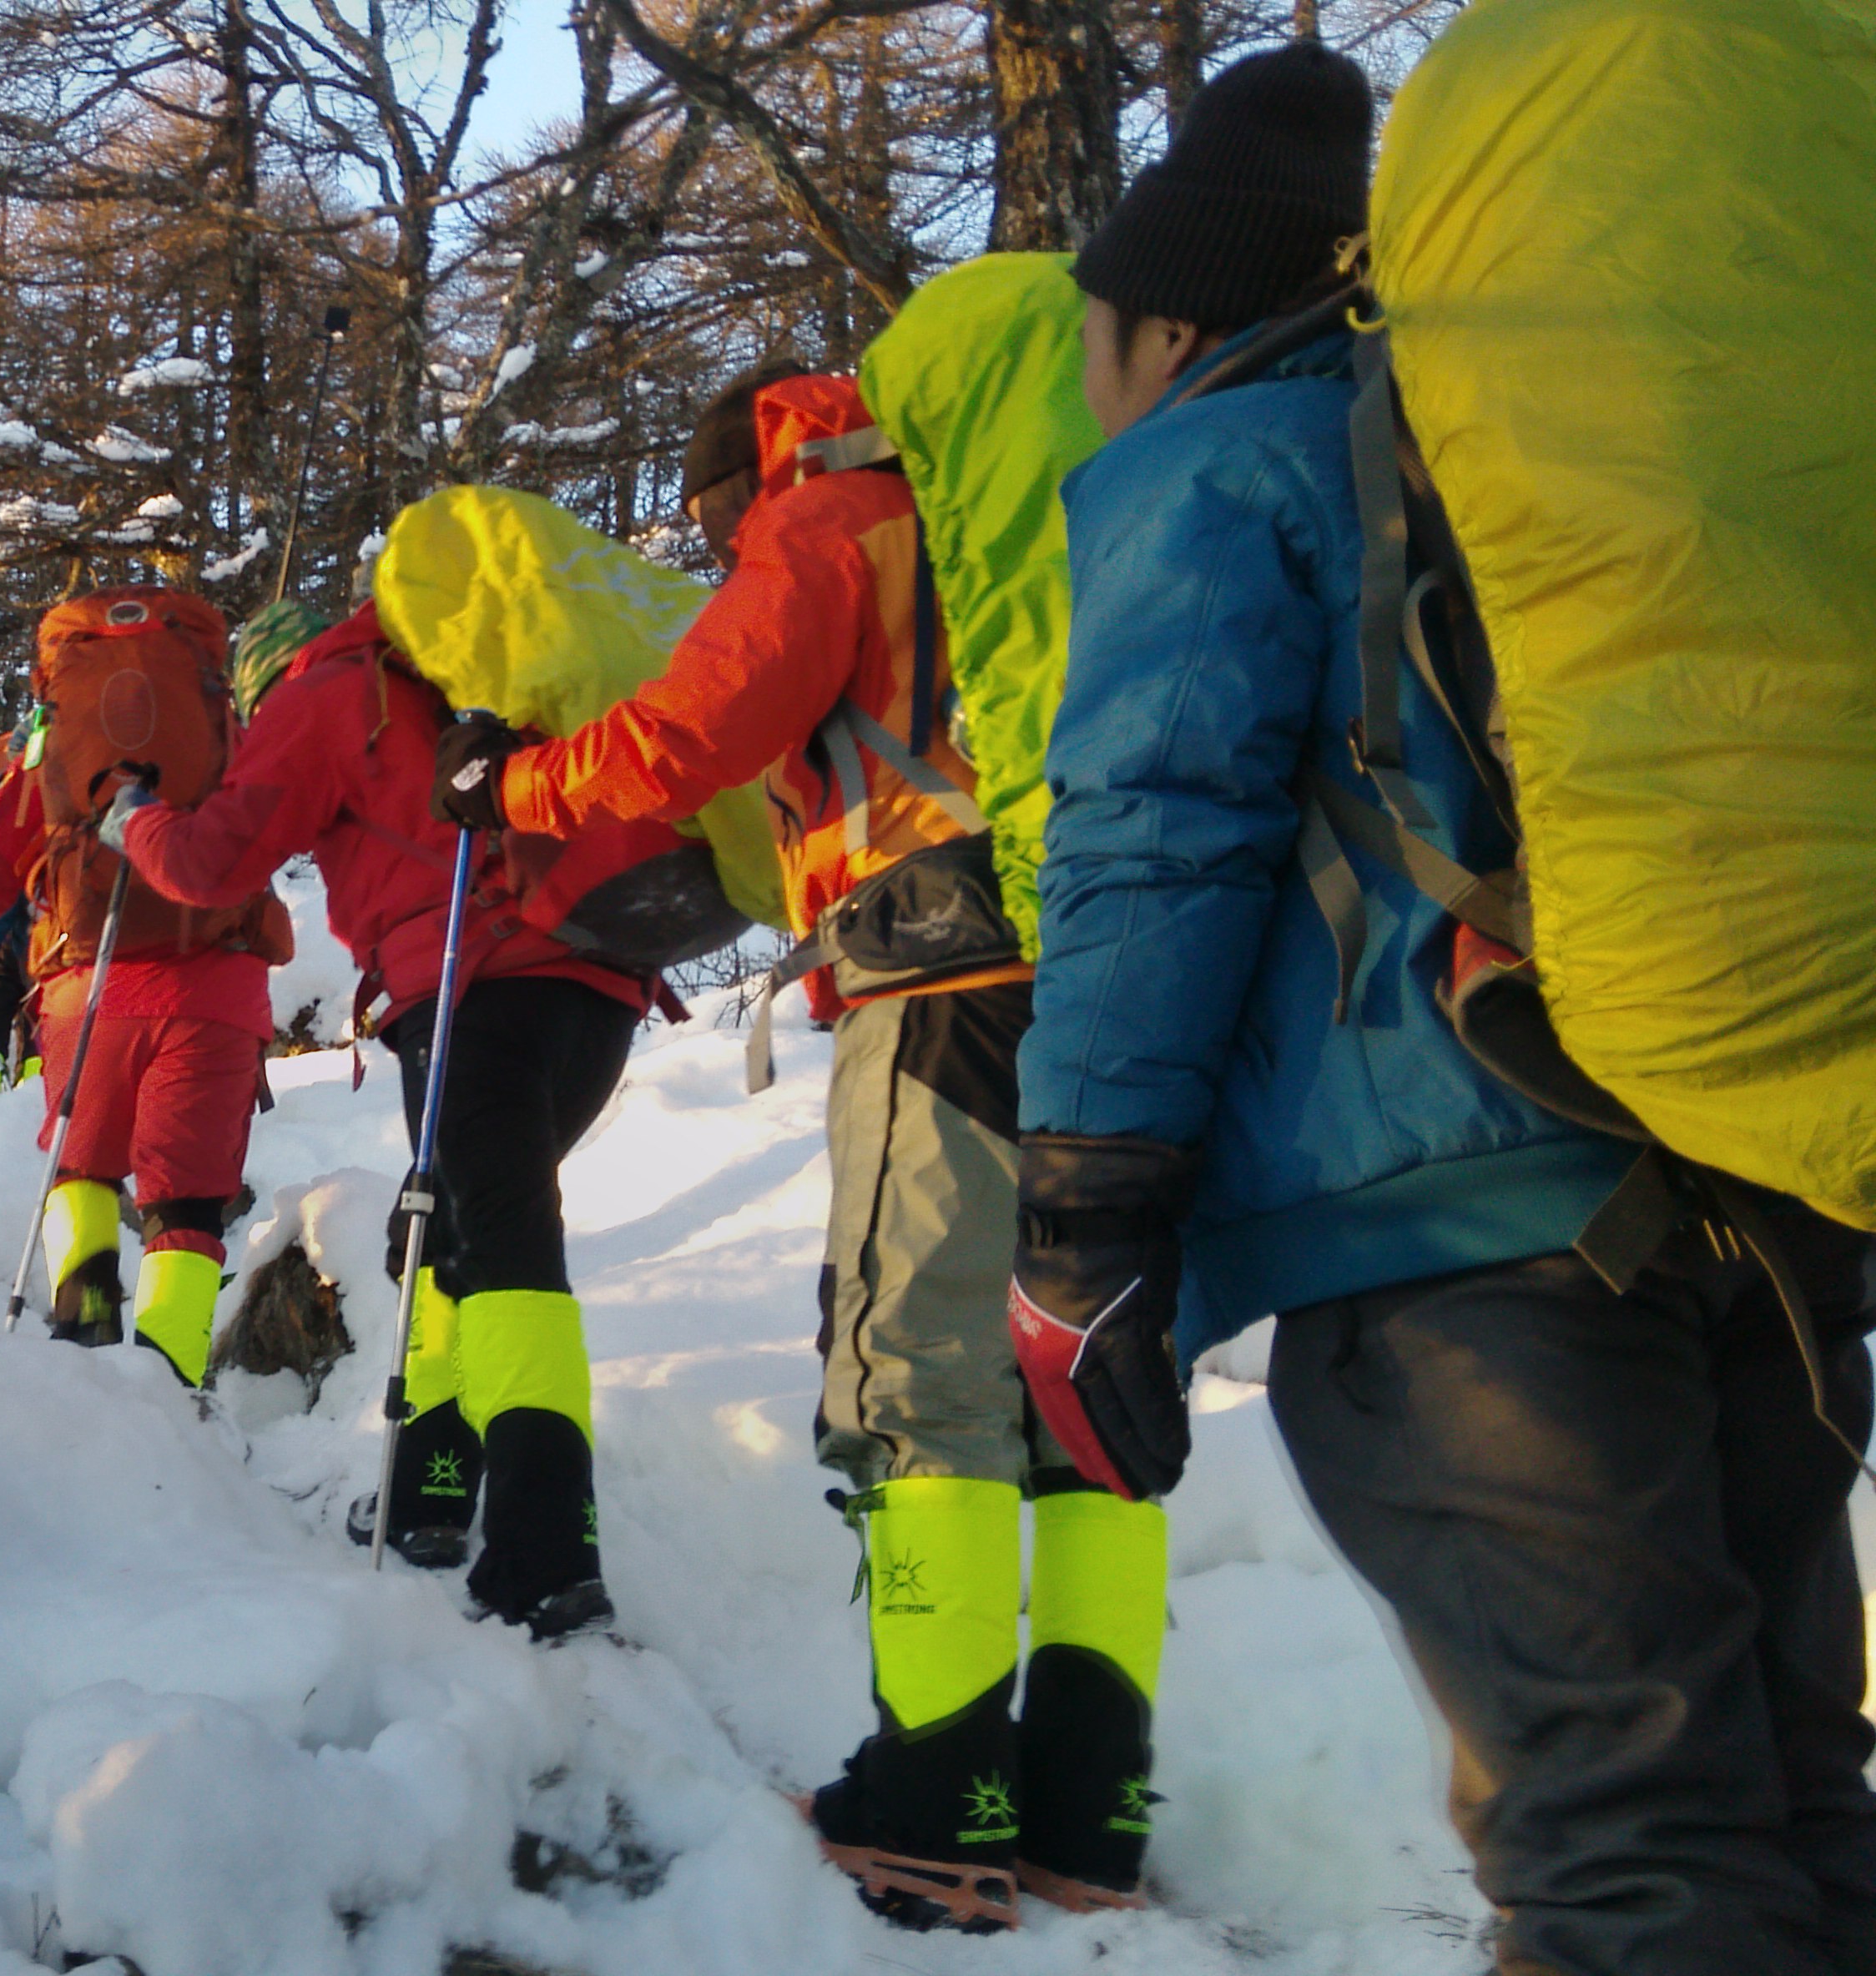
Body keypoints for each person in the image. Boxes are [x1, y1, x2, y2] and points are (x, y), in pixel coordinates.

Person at [1016, 45, 1875, 1976]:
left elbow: (1153, 826)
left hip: (1461, 1244)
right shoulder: (1528, 440)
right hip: (1743, 1180)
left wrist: (1079, 1211)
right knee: (1792, 1799)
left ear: (1165, 325)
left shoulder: (1215, 456)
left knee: (1622, 1842)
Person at [433, 334, 1147, 1930]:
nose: (709, 556)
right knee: (1085, 1377)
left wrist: (512, 785)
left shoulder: (824, 522)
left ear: (737, 476)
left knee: (923, 1379)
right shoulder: (1018, 518)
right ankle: (1089, 1806)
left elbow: (691, 729)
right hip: (1114, 967)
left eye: (704, 531)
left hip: (942, 970)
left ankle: (931, 1800)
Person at [113, 602, 644, 1644]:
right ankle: (429, 1493)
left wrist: (132, 818)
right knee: (449, 1235)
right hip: (601, 982)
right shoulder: (468, 667)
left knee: (504, 1258)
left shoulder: (324, 692)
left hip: (473, 984)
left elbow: (212, 861)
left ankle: (546, 1555)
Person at [0, 719, 280, 1388]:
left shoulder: (56, 742)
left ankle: (84, 1336)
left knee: (81, 1168)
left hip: (90, 989)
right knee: (187, 1202)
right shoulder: (222, 733)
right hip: (216, 994)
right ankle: (173, 1391)